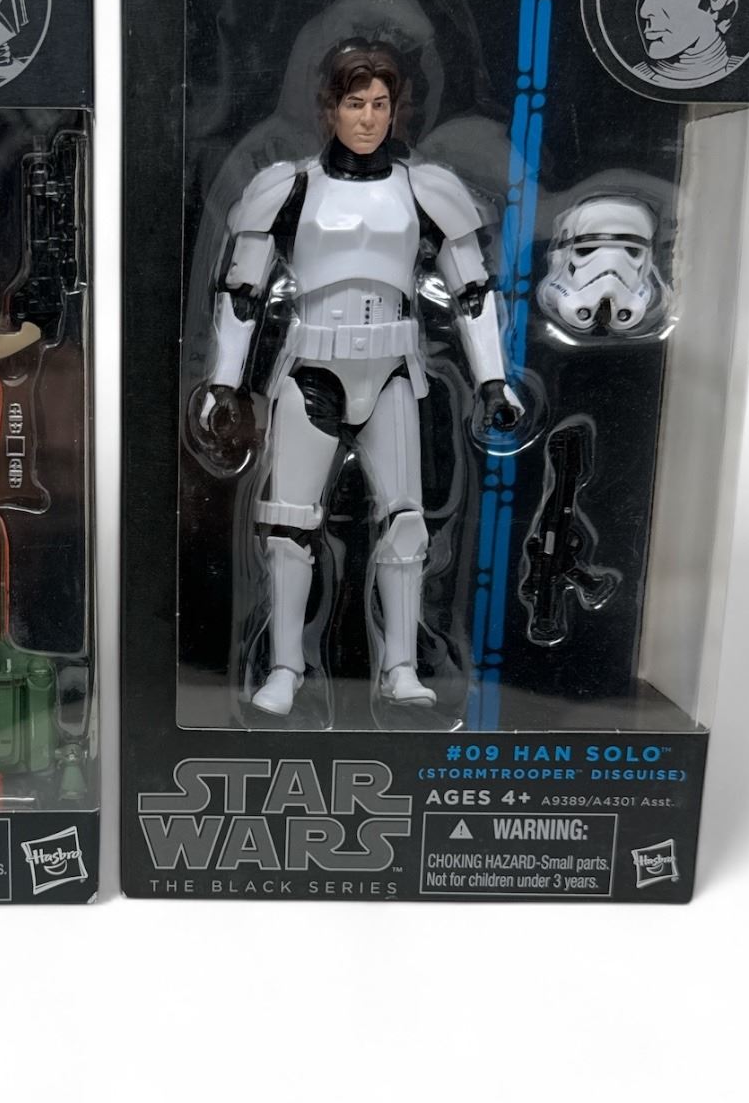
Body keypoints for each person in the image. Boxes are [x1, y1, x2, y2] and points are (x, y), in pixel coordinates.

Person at [196, 42, 519, 716]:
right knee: (288, 527)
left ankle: (399, 666)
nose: (368, 118)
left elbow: (473, 292)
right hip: (312, 370)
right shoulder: (290, 189)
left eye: (379, 104)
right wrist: (224, 382)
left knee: (405, 524)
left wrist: (493, 379)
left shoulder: (425, 190)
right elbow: (242, 292)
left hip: (393, 371)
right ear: (330, 108)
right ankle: (284, 667)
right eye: (354, 103)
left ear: (396, 110)